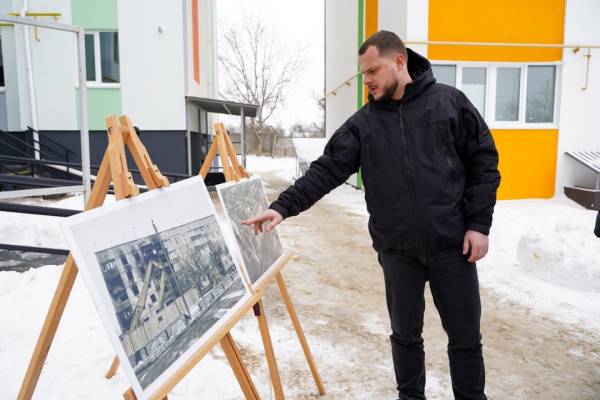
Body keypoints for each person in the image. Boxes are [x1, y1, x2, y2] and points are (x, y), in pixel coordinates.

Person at [242, 30, 500, 400]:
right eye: (364, 73)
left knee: (465, 338)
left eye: (373, 71)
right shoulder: (363, 124)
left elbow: (484, 162)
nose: (367, 80)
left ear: (399, 61)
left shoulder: (449, 103)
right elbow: (326, 170)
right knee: (405, 336)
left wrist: (478, 224)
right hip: (398, 252)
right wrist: (283, 206)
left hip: (452, 247)